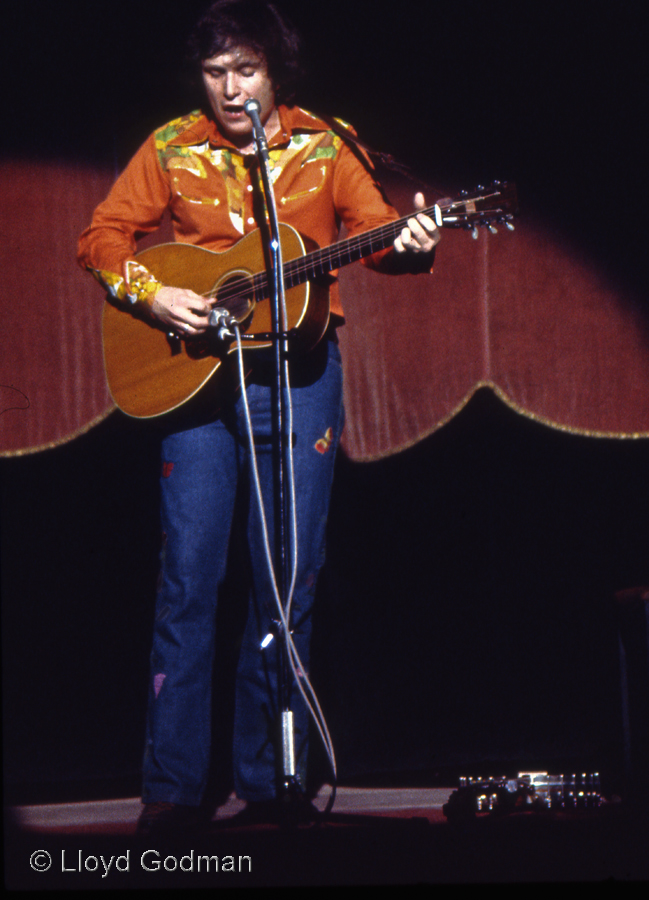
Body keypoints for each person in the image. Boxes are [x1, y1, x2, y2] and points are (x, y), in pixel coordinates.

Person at [78, 0, 439, 834]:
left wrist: (415, 240)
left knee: (288, 582)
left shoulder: (324, 144)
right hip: (195, 385)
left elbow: (377, 237)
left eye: (246, 71)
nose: (231, 89)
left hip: (298, 374)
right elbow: (102, 238)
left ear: (275, 72)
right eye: (216, 74)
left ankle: (272, 781)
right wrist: (154, 291)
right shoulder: (172, 145)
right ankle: (171, 790)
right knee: (188, 581)